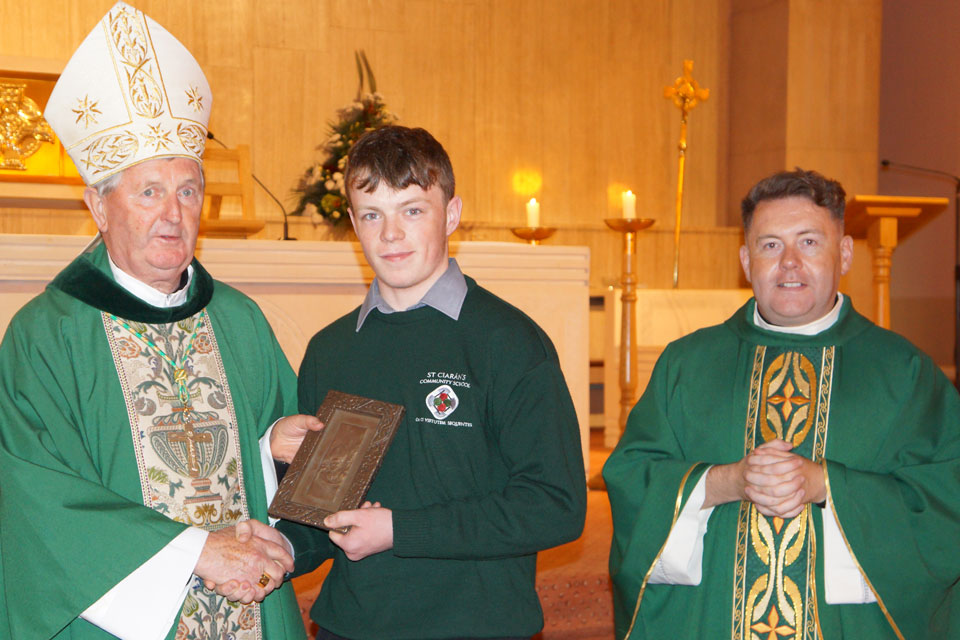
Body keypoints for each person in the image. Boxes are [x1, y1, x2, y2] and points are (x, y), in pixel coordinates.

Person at [0, 3, 319, 639]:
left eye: (188, 190)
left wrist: (269, 449)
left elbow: (292, 478)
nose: (172, 214)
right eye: (148, 192)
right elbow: (37, 502)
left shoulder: (240, 321)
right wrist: (196, 551)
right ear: (98, 203)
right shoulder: (45, 337)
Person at [604, 168, 960, 639]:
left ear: (845, 253)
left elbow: (944, 500)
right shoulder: (687, 365)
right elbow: (632, 479)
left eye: (809, 242)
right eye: (770, 245)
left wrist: (828, 486)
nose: (789, 262)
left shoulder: (904, 373)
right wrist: (726, 481)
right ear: (746, 261)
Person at [276, 125, 587, 639]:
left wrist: (400, 530)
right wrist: (281, 548)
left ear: (453, 214)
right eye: (372, 215)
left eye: (413, 210)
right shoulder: (329, 350)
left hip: (476, 625)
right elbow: (319, 507)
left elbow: (556, 506)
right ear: (353, 222)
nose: (390, 234)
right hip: (350, 626)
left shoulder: (507, 342)